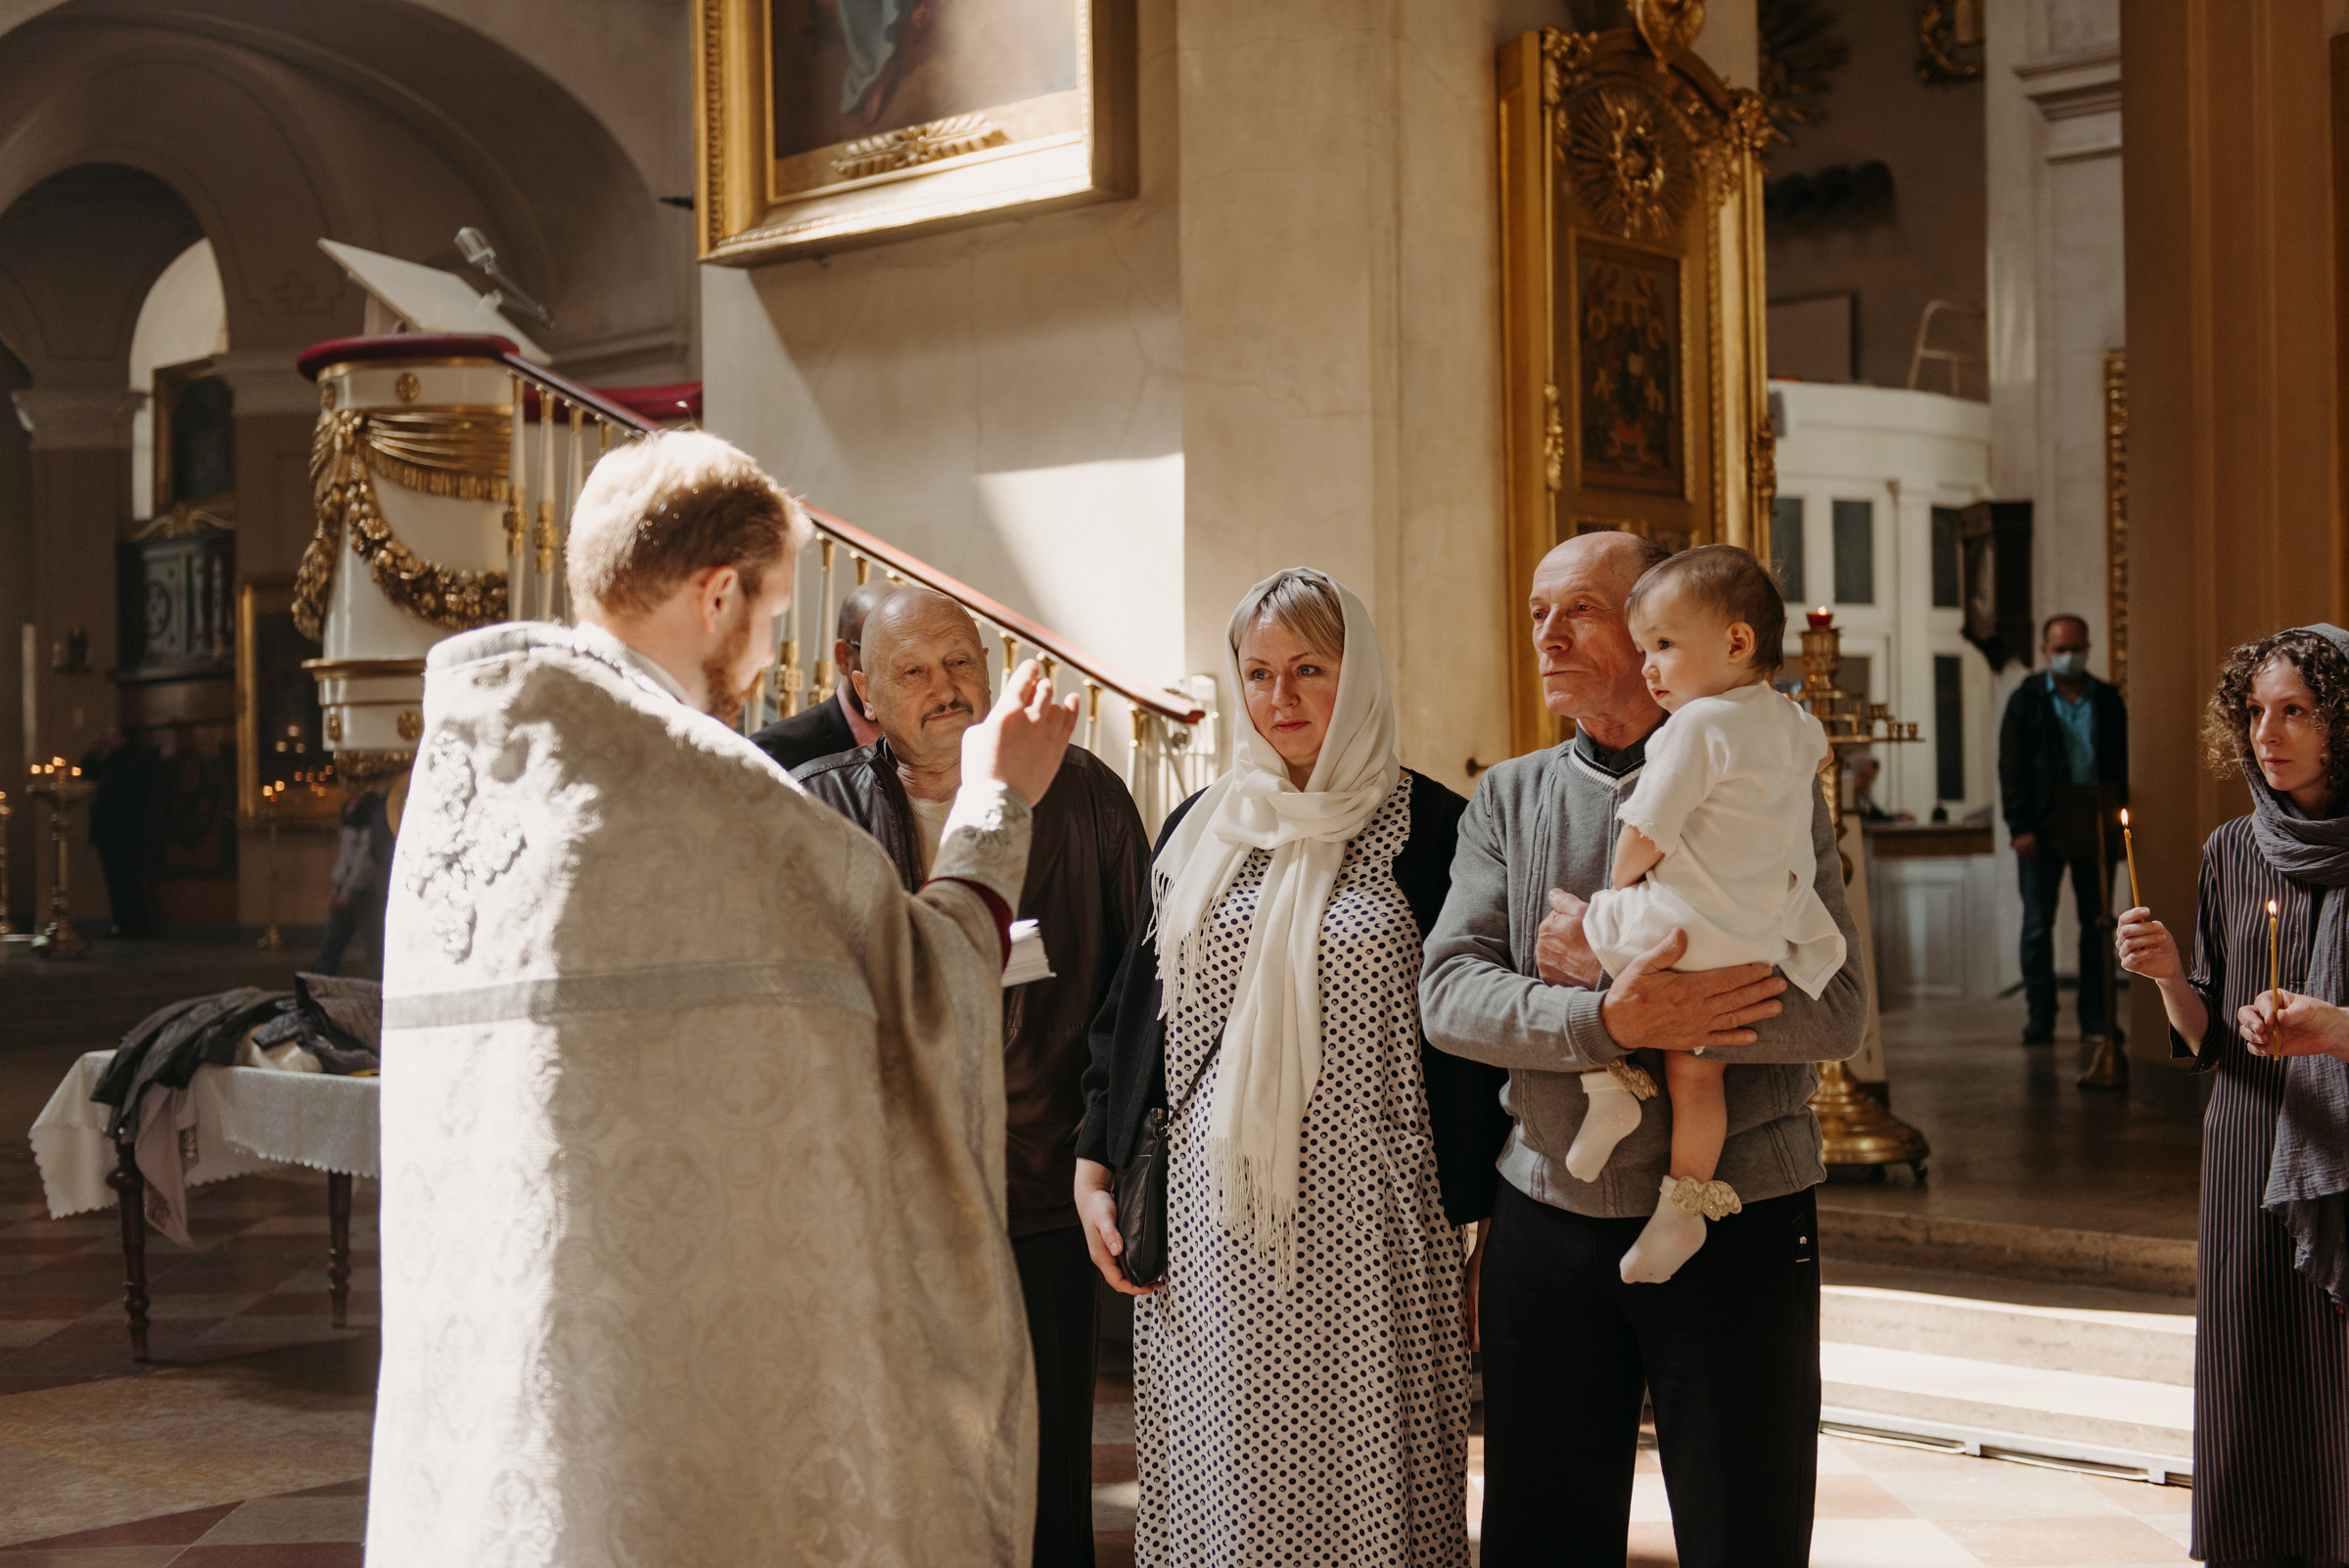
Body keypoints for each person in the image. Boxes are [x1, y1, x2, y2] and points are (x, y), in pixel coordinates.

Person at [367, 430, 1079, 1568]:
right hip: (681, 1393)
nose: (761, 660)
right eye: (769, 616)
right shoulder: (718, 801)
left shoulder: (470, 792)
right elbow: (926, 992)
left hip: (515, 1372)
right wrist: (998, 802)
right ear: (715, 595)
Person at [1418, 531, 1867, 1568]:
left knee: (1742, 1532)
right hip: (1548, 1214)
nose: (1547, 634)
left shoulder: (1764, 776)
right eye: (1538, 611)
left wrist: (1680, 1010)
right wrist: (1610, 1024)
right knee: (1540, 1536)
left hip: (1740, 1213)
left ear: (1657, 628)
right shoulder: (1511, 797)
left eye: (1578, 609)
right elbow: (1449, 996)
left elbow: (1836, 1009)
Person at [1073, 568, 1509, 1568]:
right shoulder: (1199, 826)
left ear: (1358, 675)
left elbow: (1486, 1038)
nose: (1281, 699)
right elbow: (1132, 1012)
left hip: (1378, 1225)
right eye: (1259, 672)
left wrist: (1499, 1217)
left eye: (1310, 668)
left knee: (1375, 1486)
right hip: (1211, 1232)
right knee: (1227, 1486)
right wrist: (1094, 1159)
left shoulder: (1439, 830)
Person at [795, 585, 1148, 1568]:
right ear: (858, 683)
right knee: (901, 1471)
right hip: (887, 1200)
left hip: (1038, 1188)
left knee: (1043, 1477)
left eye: (961, 663)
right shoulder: (819, 809)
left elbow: (1139, 985)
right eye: (913, 670)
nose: (946, 688)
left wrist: (1109, 1152)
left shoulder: (1084, 794)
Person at [2117, 623, 2349, 1567]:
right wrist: (2175, 977)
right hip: (2252, 1141)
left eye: (2296, 711)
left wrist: (2328, 1028)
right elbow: (2210, 1035)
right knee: (2250, 1378)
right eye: (2254, 712)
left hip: (2343, 1143)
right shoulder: (2231, 851)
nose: (2269, 733)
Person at [1579, 546, 1846, 1283]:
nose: (1649, 669)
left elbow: (1649, 826)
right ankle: (1683, 1209)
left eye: (1663, 646)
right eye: (1644, 650)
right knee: (1698, 1073)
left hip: (1680, 924)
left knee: (1578, 932)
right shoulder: (1793, 724)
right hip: (1756, 940)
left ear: (1735, 642)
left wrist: (1615, 893)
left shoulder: (1693, 729)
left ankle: (1606, 1085)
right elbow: (1817, 759)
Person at [2000, 612, 2129, 1044]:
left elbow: (2125, 763)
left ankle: (2095, 1015)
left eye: (2075, 648)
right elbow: (2011, 768)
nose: (2068, 656)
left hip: (2094, 821)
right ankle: (2041, 1016)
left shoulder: (2108, 699)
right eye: (2060, 649)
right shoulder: (2026, 700)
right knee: (2038, 925)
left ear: (2088, 647)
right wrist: (2020, 826)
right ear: (2044, 652)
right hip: (2040, 825)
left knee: (2098, 924)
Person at [751, 577, 891, 771]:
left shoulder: (928, 750)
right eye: (881, 652)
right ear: (843, 657)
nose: (898, 670)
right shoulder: (776, 751)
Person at [79, 727, 151, 937]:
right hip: (110, 830)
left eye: (112, 735)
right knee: (114, 878)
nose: (107, 739)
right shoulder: (110, 759)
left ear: (122, 738)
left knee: (124, 879)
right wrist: (92, 752)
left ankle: (133, 924)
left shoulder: (130, 760)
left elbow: (121, 790)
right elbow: (87, 773)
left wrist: (99, 788)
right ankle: (121, 922)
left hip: (122, 830)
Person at [315, 785, 392, 977]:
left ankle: (383, 995)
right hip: (347, 887)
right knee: (332, 949)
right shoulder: (349, 808)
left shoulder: (372, 808)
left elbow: (365, 857)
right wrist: (338, 888)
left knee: (376, 952)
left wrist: (348, 891)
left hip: (365, 890)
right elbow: (346, 856)